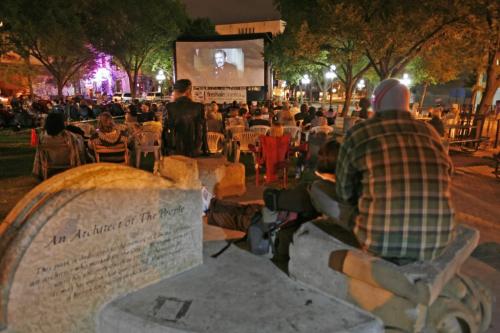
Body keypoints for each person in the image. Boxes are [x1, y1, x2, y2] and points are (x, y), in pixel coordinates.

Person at [335, 78, 454, 264]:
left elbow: (343, 192)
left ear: (375, 103)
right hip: (436, 241)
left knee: (320, 189)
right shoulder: (430, 133)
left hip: (378, 241)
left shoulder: (359, 133)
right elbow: (447, 176)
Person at [32, 112, 85, 179]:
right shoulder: (70, 136)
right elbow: (76, 152)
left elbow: (40, 154)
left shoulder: (42, 137)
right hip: (68, 163)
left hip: (49, 164)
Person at [164, 79, 208, 157]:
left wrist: (166, 148)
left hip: (175, 146)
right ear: (188, 90)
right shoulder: (198, 107)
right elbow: (203, 129)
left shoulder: (169, 106)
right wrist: (205, 148)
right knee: (192, 167)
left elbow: (166, 129)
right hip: (194, 146)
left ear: (176, 91)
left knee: (178, 168)